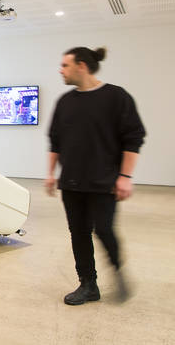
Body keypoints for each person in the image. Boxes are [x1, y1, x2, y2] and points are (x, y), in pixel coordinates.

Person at [46, 46, 145, 305]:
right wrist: (49, 174)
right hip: (72, 183)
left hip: (104, 182)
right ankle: (88, 284)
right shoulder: (65, 102)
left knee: (103, 230)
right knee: (78, 233)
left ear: (82, 66)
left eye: (65, 65)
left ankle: (118, 270)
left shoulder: (116, 97)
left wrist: (125, 176)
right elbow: (55, 141)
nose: (61, 70)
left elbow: (133, 139)